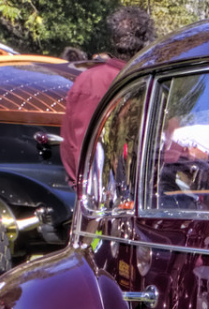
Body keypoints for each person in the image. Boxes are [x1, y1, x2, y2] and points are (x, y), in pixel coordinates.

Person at [61, 6, 155, 184]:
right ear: (146, 41)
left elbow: (69, 143)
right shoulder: (145, 83)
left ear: (113, 38)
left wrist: (79, 185)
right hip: (129, 192)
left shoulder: (86, 80)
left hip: (87, 191)